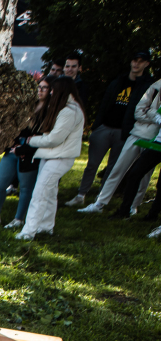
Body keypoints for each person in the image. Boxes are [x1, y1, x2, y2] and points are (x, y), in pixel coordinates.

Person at [66, 52, 152, 206]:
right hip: (105, 127)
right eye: (134, 60)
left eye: (140, 61)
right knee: (92, 164)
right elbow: (105, 103)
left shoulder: (147, 85)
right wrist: (97, 125)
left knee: (113, 167)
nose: (136, 64)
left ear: (147, 64)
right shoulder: (119, 81)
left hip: (124, 132)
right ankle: (81, 195)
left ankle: (101, 198)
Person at [78, 76, 161, 216]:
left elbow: (147, 112)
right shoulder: (155, 86)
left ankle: (133, 206)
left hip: (154, 139)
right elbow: (138, 111)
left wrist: (150, 112)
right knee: (118, 169)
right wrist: (155, 117)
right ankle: (100, 203)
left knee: (144, 177)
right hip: (137, 133)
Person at [15, 77, 86, 240]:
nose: (51, 93)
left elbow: (54, 139)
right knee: (50, 193)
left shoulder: (70, 111)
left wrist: (31, 140)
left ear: (62, 91)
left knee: (39, 193)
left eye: (54, 90)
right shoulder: (66, 109)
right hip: (50, 155)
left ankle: (28, 232)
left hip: (60, 157)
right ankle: (46, 227)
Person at [0, 76, 52, 230]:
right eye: (39, 87)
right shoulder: (28, 106)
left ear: (51, 91)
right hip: (14, 148)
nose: (40, 90)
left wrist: (24, 149)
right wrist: (13, 145)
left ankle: (18, 219)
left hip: (30, 153)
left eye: (44, 87)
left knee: (26, 188)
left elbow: (44, 138)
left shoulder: (50, 112)